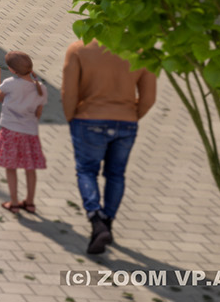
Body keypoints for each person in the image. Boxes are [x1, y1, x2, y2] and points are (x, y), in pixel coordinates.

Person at [63, 37, 158, 256]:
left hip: (88, 120)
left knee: (87, 170)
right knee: (116, 174)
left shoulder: (79, 48)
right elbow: (149, 97)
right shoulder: (142, 50)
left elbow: (69, 91)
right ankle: (108, 220)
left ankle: (96, 219)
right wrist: (132, 116)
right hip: (126, 122)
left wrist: (71, 118)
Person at [0, 50, 49, 213]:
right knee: (30, 168)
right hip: (30, 132)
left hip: (10, 131)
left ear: (12, 70)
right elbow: (38, 113)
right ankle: (30, 202)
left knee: (11, 167)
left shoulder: (10, 83)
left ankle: (14, 202)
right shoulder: (41, 89)